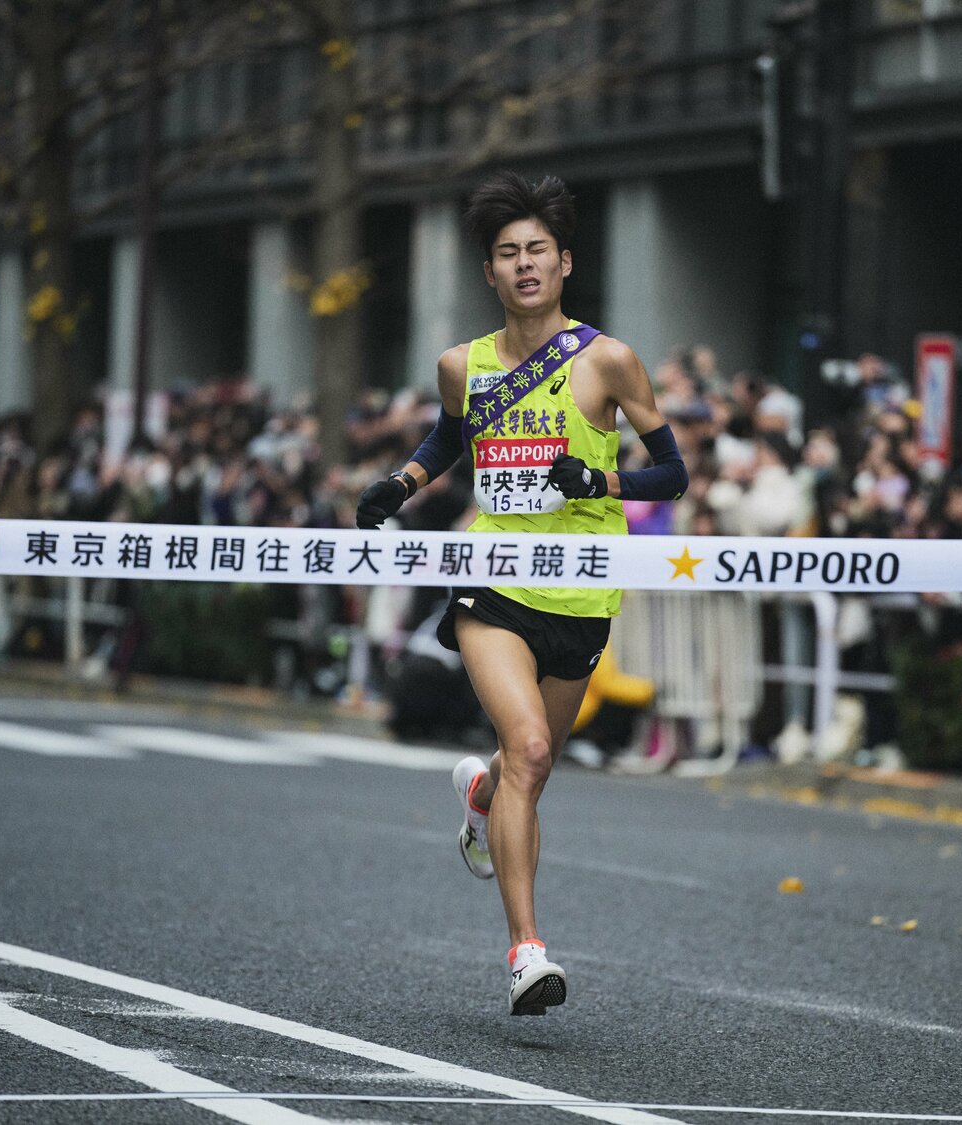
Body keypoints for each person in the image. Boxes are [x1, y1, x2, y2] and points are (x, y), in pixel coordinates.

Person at [355, 171, 687, 1016]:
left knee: (521, 772)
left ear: (565, 262)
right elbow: (453, 432)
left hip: (583, 592)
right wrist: (402, 481)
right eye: (508, 253)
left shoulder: (608, 359)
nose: (525, 264)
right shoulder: (459, 364)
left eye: (538, 249)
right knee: (532, 751)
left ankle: (479, 794)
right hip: (495, 580)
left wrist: (597, 475)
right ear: (491, 274)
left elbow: (674, 473)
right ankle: (526, 953)